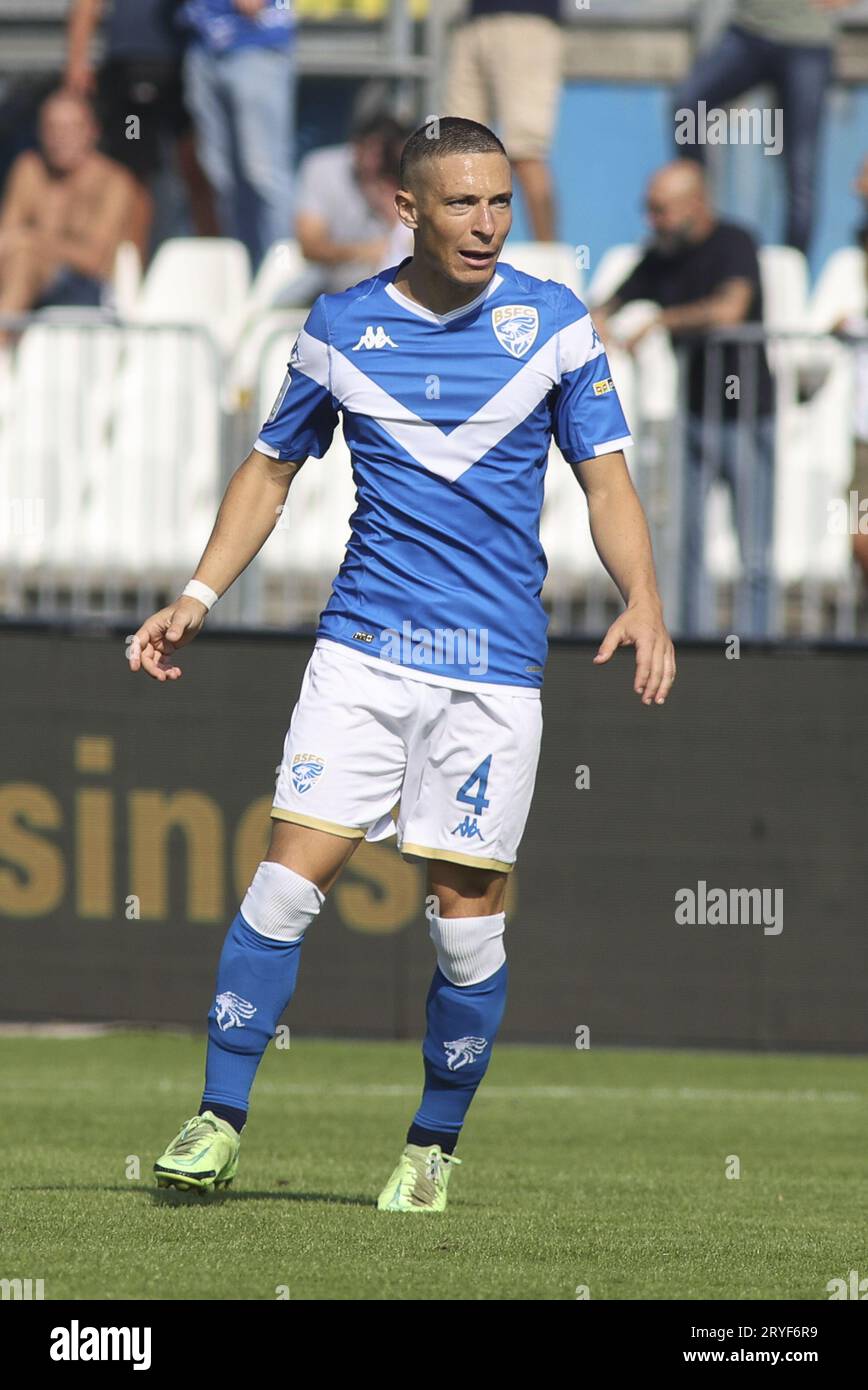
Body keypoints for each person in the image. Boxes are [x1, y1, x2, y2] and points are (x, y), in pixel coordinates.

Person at [130, 117, 675, 1212]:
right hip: (363, 655)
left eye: (501, 202)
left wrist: (645, 598)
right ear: (407, 210)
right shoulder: (339, 327)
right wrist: (196, 594)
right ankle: (216, 1119)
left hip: (491, 672)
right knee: (283, 886)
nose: (486, 224)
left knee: (463, 929)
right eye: (463, 203)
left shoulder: (553, 323)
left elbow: (604, 481)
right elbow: (270, 467)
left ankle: (431, 1145)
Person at [593, 161, 775, 638]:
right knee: (685, 542)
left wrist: (660, 322)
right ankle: (693, 642)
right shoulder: (660, 254)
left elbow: (730, 309)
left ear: (696, 204)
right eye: (649, 210)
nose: (652, 220)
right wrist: (594, 328)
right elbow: (603, 306)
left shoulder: (736, 243)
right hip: (693, 416)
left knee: (754, 550)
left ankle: (761, 651)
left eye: (661, 210)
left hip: (749, 416)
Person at [671, 0, 860, 255]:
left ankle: (794, 266)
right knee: (688, 104)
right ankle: (693, 214)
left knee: (800, 168)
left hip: (807, 41)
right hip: (747, 30)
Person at [65, 0, 217, 259]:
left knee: (197, 167)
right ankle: (131, 268)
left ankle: (215, 262)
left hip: (189, 66)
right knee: (134, 170)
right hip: (131, 69)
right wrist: (77, 60)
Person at [0, 89, 136, 321]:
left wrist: (33, 242)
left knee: (23, 257)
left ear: (92, 132)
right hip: (23, 280)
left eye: (71, 128)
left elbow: (94, 259)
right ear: (40, 133)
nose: (61, 138)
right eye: (52, 128)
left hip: (86, 291)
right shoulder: (29, 170)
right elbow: (6, 238)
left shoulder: (113, 182)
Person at [179, 0, 295, 269]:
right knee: (219, 173)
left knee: (263, 171)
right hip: (202, 43)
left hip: (257, 42)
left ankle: (283, 277)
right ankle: (245, 275)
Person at [445, 0, 562, 241]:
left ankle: (548, 260)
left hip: (526, 20)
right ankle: (459, 251)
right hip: (473, 20)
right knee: (455, 151)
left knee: (526, 154)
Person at [284, 113, 412, 304]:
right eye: (372, 152)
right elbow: (310, 246)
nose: (375, 164)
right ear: (355, 147)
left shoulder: (412, 176)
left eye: (385, 158)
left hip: (392, 297)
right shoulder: (323, 168)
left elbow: (416, 251)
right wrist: (363, 252)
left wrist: (390, 208)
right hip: (330, 291)